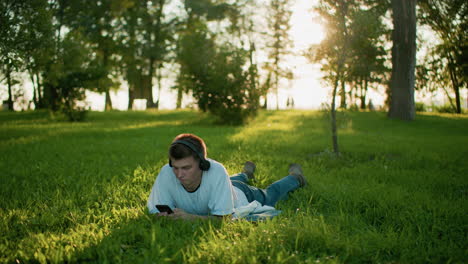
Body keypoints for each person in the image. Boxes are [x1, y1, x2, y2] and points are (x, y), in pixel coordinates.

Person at [147, 133, 307, 220]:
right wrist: (162, 217)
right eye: (175, 167)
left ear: (203, 164)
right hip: (225, 186)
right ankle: (246, 173)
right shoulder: (167, 172)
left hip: (241, 194)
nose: (179, 174)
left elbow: (223, 219)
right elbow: (156, 209)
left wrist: (190, 218)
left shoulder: (216, 171)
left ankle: (295, 177)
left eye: (186, 168)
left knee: (271, 193)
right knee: (231, 180)